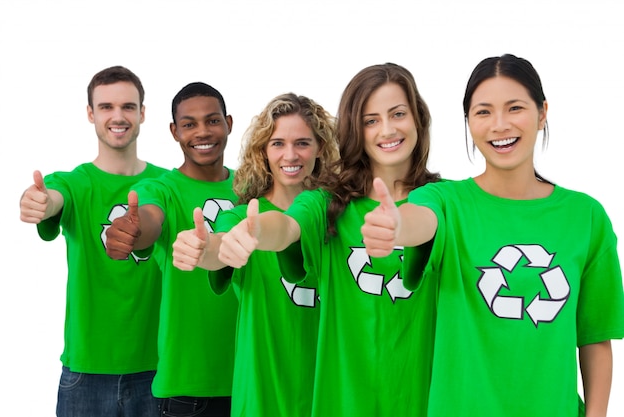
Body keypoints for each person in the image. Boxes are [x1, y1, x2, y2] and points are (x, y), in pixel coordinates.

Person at [361, 54, 624, 417]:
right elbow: (421, 219)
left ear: (542, 112)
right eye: (483, 112)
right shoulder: (447, 201)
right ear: (468, 122)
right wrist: (396, 227)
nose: (499, 125)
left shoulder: (586, 217)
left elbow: (594, 338)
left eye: (514, 108)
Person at [217, 63, 441, 417]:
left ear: (418, 118)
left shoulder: (446, 201)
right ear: (355, 128)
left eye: (398, 113)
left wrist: (402, 225)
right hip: (342, 401)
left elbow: (429, 222)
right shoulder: (328, 202)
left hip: (420, 400)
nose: (387, 129)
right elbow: (290, 225)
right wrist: (257, 230)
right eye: (370, 120)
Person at [172, 92, 339, 417]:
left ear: (320, 147)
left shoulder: (338, 214)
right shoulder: (242, 216)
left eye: (302, 143)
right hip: (262, 397)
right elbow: (221, 247)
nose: (290, 154)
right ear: (263, 150)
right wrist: (204, 248)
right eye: (277, 143)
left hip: (329, 394)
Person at [19, 66, 167, 417]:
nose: (118, 116)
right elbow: (53, 197)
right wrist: (38, 201)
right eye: (106, 107)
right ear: (91, 114)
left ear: (143, 113)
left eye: (128, 107)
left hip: (159, 370)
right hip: (86, 375)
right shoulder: (73, 182)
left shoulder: (167, 184)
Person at [104, 82, 239, 417]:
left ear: (229, 123)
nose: (202, 132)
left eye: (212, 120)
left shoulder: (253, 187)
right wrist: (132, 232)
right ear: (174, 131)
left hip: (254, 379)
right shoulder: (160, 188)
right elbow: (150, 218)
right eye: (189, 124)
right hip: (188, 390)